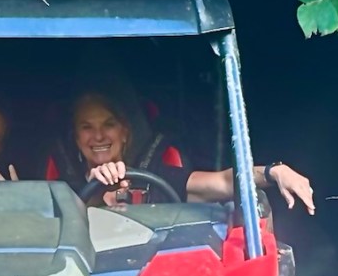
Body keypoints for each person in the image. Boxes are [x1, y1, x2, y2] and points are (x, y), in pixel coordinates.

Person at [67, 91, 315, 214]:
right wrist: (95, 191)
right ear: (76, 138)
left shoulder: (155, 177)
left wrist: (274, 172)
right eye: (87, 127)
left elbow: (224, 182)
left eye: (108, 124)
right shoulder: (61, 187)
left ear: (124, 133)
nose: (98, 136)